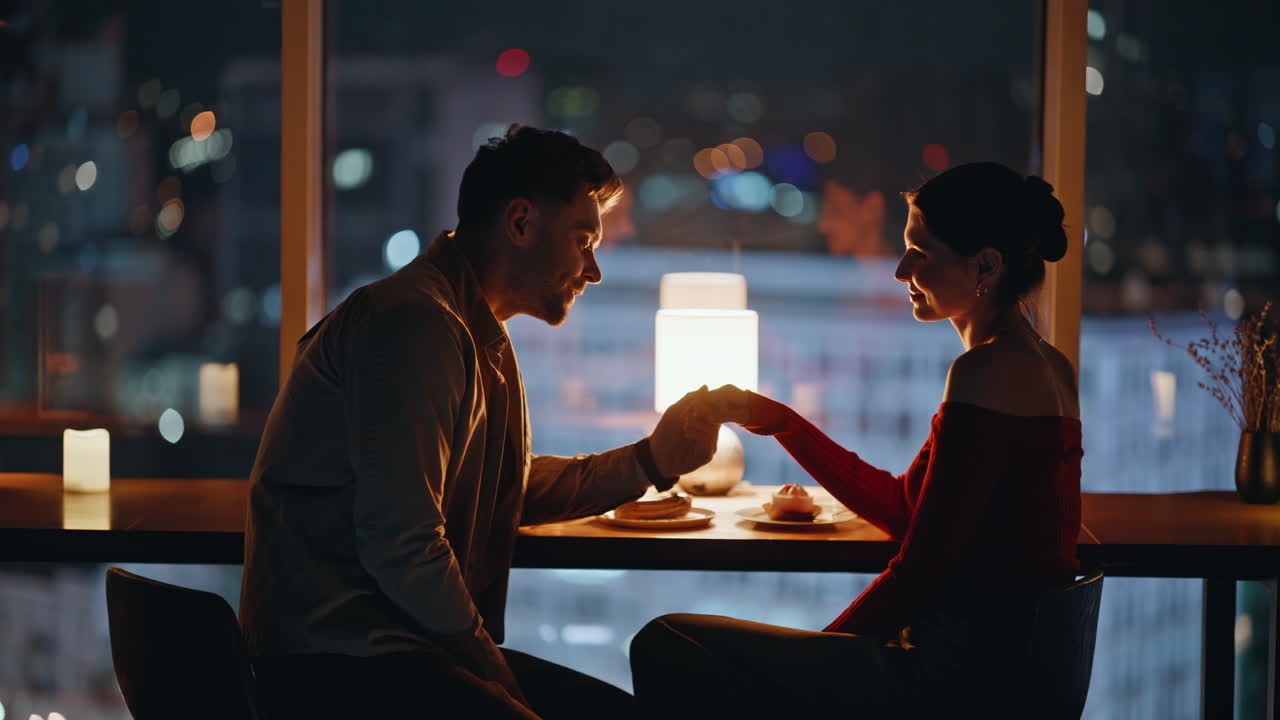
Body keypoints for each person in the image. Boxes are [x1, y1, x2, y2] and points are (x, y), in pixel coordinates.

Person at [240, 125, 719, 720]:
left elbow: (506, 489)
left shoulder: (466, 328)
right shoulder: (415, 325)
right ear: (520, 223)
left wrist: (652, 460)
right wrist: (492, 671)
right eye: (582, 240)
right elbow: (405, 546)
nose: (593, 270)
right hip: (343, 669)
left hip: (393, 654)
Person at [629, 162, 1083, 718]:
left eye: (921, 253)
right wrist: (781, 422)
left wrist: (823, 649)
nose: (899, 270)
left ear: (986, 264)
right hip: (999, 676)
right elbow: (906, 511)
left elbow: (920, 570)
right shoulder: (1050, 367)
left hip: (949, 678)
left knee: (667, 642)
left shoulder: (985, 372)